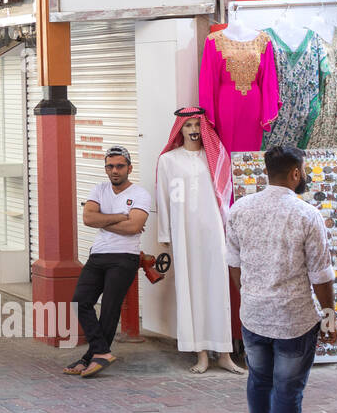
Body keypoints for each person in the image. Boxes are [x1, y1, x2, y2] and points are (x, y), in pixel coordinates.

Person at [227, 145, 337, 413]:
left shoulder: (239, 209)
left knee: (259, 383)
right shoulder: (306, 214)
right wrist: (329, 314)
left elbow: (234, 265)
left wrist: (250, 296)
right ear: (295, 173)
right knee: (289, 390)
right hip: (294, 318)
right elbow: (321, 275)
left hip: (254, 316)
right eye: (301, 171)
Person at [156, 107, 242, 374]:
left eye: (197, 125)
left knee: (218, 290)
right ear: (179, 129)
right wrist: (165, 234)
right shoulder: (169, 160)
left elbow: (227, 198)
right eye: (188, 125)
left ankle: (225, 354)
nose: (193, 130)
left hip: (214, 230)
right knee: (190, 288)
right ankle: (201, 354)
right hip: (184, 233)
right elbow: (164, 199)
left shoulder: (215, 157)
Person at [63, 147, 151, 378]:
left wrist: (103, 221)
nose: (114, 170)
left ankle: (89, 357)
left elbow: (133, 227)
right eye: (110, 166)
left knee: (109, 311)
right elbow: (88, 218)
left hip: (124, 257)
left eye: (120, 166)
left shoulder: (140, 194)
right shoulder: (100, 189)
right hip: (98, 255)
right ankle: (101, 352)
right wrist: (120, 216)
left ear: (129, 168)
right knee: (79, 302)